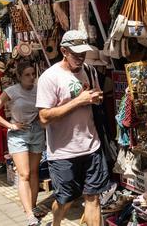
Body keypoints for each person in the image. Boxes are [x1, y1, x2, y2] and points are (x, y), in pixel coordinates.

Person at [36, 30, 109, 226]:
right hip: (62, 152)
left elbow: (96, 97)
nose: (80, 58)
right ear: (63, 51)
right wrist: (78, 101)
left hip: (91, 146)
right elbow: (43, 118)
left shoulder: (90, 70)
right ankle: (56, 222)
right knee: (65, 200)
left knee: (93, 198)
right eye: (75, 54)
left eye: (83, 53)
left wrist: (96, 98)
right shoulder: (49, 77)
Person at [0, 61, 45, 226]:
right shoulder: (11, 91)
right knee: (24, 174)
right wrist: (10, 125)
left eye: (33, 74)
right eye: (27, 75)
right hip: (18, 134)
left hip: (37, 131)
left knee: (34, 173)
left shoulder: (39, 90)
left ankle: (32, 207)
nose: (31, 78)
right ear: (19, 76)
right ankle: (29, 215)